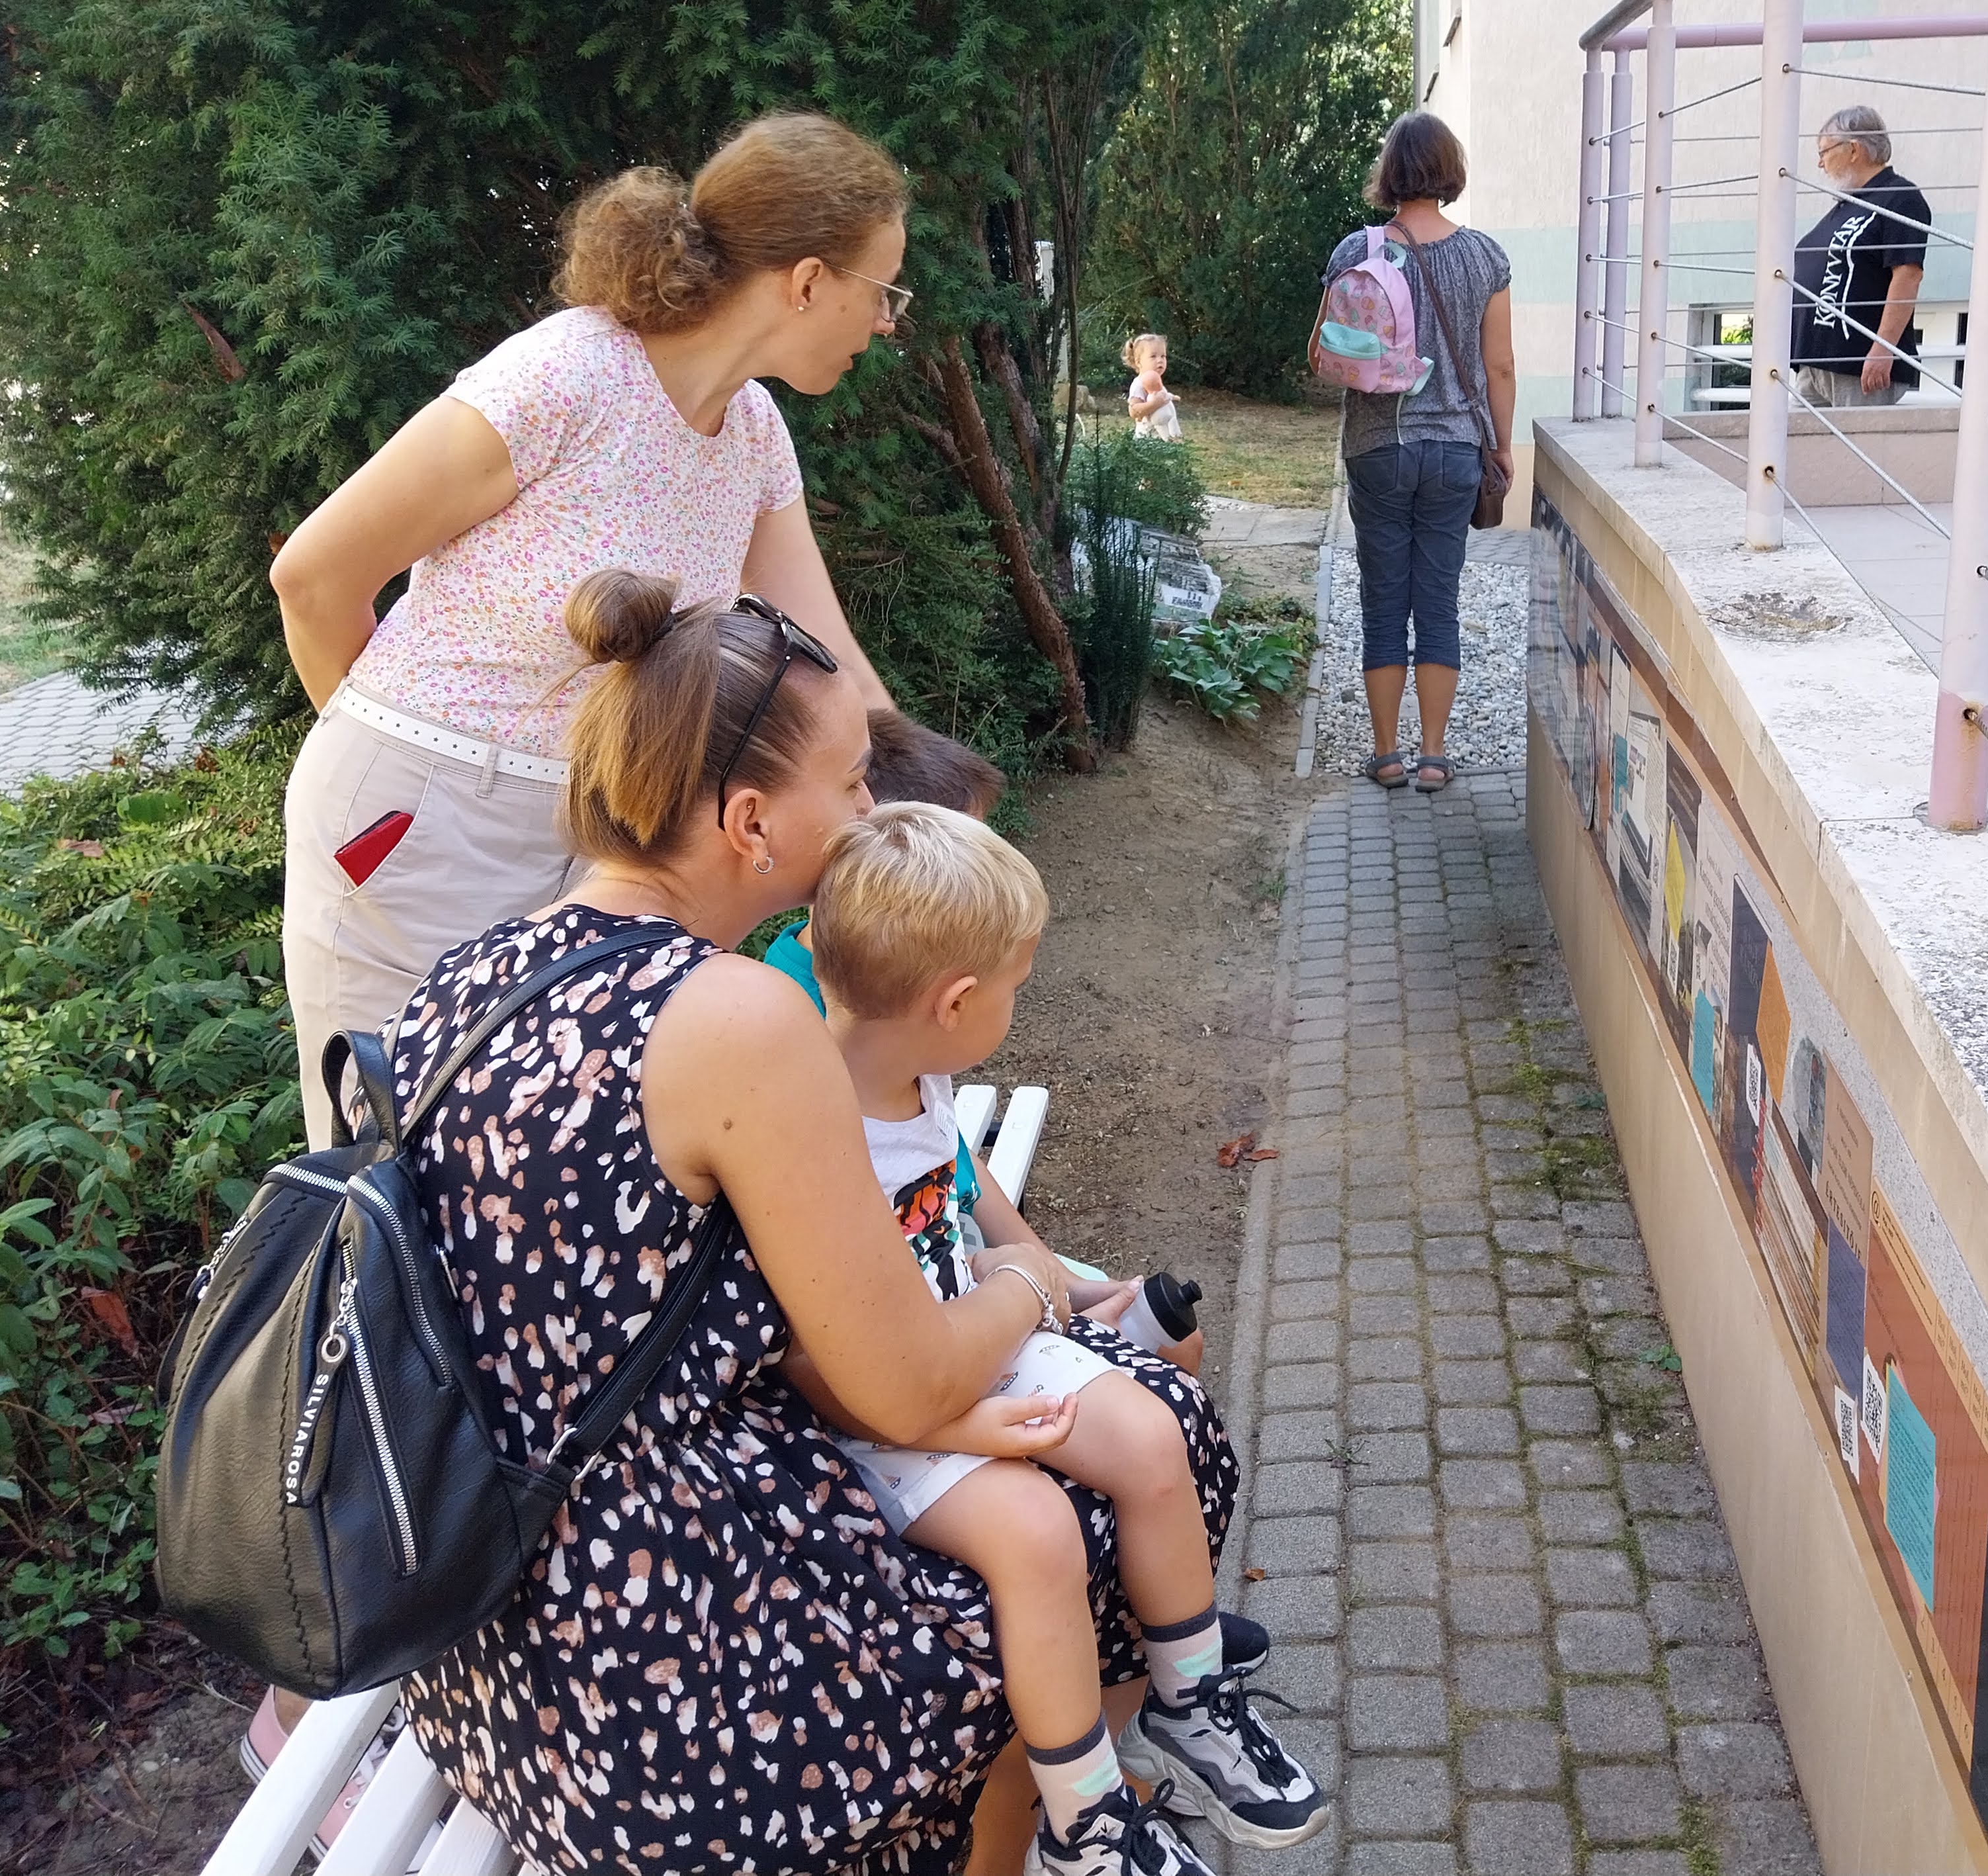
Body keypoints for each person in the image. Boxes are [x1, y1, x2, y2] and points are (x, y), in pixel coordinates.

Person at [377, 570, 1238, 1876]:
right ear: (748, 822)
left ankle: (1097, 1803)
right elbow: (908, 1387)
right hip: (679, 1657)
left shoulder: (476, 972)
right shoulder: (734, 1016)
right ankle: (1089, 1814)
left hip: (494, 1630)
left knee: (1098, 1445)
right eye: (848, 784)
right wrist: (1027, 1280)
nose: (868, 814)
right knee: (1121, 1463)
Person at [269, 111, 911, 1141]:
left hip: (600, 839)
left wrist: (918, 817)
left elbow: (828, 658)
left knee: (553, 1163)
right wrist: (409, 773)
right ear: (806, 281)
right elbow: (312, 577)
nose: (886, 322)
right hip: (421, 825)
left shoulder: (753, 432)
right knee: (396, 1161)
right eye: (883, 291)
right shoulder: (563, 378)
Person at [806, 805, 1328, 1866]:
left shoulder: (915, 1077)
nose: (1018, 1002)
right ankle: (1084, 1818)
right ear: (956, 1004)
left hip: (969, 1339)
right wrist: (960, 1423)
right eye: (1015, 986)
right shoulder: (812, 1134)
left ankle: (1190, 1700)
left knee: (1150, 1436)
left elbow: (947, 1229)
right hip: (881, 1417)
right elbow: (806, 1354)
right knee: (1037, 1536)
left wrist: (1028, 1284)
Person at [758, 717, 1211, 1381]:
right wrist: (1038, 1300)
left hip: (959, 1256)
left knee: (1174, 1344)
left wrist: (1055, 1279)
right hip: (931, 1306)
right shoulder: (798, 1028)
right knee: (1159, 1376)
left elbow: (953, 1158)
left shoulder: (899, 1036)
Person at [1311, 111, 1512, 795]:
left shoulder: (1357, 251)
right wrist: (1501, 446)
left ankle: (1386, 754)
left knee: (1383, 601)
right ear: (1450, 171)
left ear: (1390, 172)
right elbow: (1501, 365)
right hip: (1456, 451)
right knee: (1438, 600)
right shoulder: (1484, 257)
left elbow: (1320, 355)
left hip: (1377, 448)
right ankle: (1433, 755)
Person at [1790, 105, 1932, 408]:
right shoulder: (1848, 205)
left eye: (1824, 151)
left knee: (1853, 440)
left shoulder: (1899, 197)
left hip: (1858, 368)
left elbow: (1908, 274)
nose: (1820, 163)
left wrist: (1883, 348)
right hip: (1815, 365)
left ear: (1854, 150)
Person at [1125, 332, 1182, 441]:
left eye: (1163, 356)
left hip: (1162, 437)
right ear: (1139, 362)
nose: (1160, 360)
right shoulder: (1139, 384)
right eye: (1153, 356)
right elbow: (1133, 411)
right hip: (1147, 439)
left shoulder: (1156, 380)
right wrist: (1154, 404)